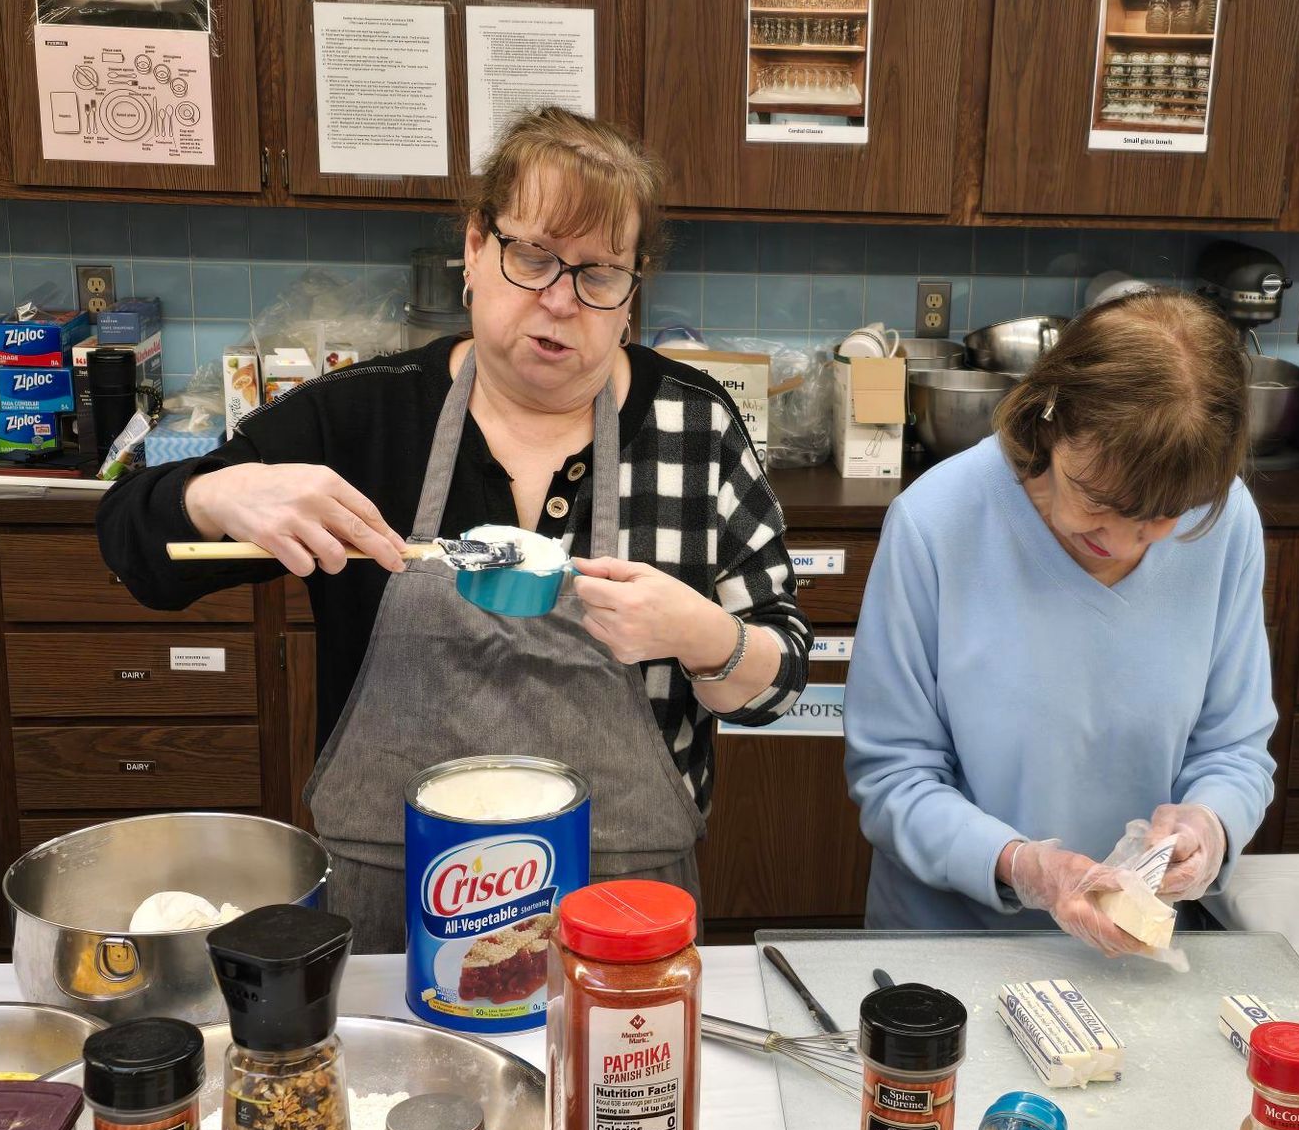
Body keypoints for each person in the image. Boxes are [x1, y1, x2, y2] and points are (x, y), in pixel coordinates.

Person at [98, 107, 812, 950]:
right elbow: (134, 548)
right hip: (392, 913)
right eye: (533, 257)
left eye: (598, 274)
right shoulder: (360, 418)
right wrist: (217, 496)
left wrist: (702, 634)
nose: (559, 301)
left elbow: (781, 677)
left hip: (619, 920)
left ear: (631, 293)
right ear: (475, 248)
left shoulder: (696, 429)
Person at [844, 289, 1276, 954]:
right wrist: (1023, 867)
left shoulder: (1225, 521)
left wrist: (1210, 822)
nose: (1129, 540)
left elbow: (1234, 748)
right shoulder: (937, 523)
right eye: (1100, 501)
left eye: (1163, 516)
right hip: (951, 947)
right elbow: (893, 778)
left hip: (1141, 953)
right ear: (1052, 424)